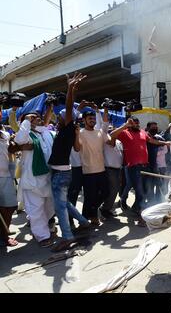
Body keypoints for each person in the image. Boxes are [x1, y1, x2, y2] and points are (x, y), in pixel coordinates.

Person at [47, 73, 91, 252]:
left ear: (66, 119)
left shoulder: (67, 129)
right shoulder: (70, 131)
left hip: (60, 174)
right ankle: (83, 222)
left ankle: (67, 237)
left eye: (60, 117)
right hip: (64, 172)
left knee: (60, 207)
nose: (57, 118)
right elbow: (78, 148)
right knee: (64, 202)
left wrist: (70, 88)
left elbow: (68, 107)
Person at [110, 117, 170, 226]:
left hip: (145, 165)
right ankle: (141, 217)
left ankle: (136, 209)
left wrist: (165, 143)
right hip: (133, 167)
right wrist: (125, 125)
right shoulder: (125, 132)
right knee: (140, 191)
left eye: (137, 123)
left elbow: (152, 141)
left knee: (145, 190)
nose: (137, 125)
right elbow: (112, 135)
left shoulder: (142, 132)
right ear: (129, 124)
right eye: (134, 123)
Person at [15, 107, 55, 248]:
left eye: (38, 116)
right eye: (33, 117)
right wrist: (26, 121)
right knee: (36, 210)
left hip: (48, 177)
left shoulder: (46, 134)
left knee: (50, 208)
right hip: (32, 180)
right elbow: (19, 139)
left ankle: (44, 227)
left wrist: (50, 108)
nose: (37, 118)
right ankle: (42, 236)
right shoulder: (27, 136)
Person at [74, 107, 110, 226]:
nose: (92, 120)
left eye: (94, 118)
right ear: (84, 120)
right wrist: (76, 134)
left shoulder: (99, 132)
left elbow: (110, 141)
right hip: (88, 171)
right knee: (89, 197)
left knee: (106, 192)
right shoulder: (81, 133)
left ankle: (93, 212)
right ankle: (85, 220)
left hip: (101, 169)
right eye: (90, 118)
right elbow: (77, 148)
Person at [0, 113, 19, 247]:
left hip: (6, 175)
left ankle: (4, 235)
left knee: (10, 206)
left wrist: (13, 142)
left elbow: (8, 151)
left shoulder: (4, 132)